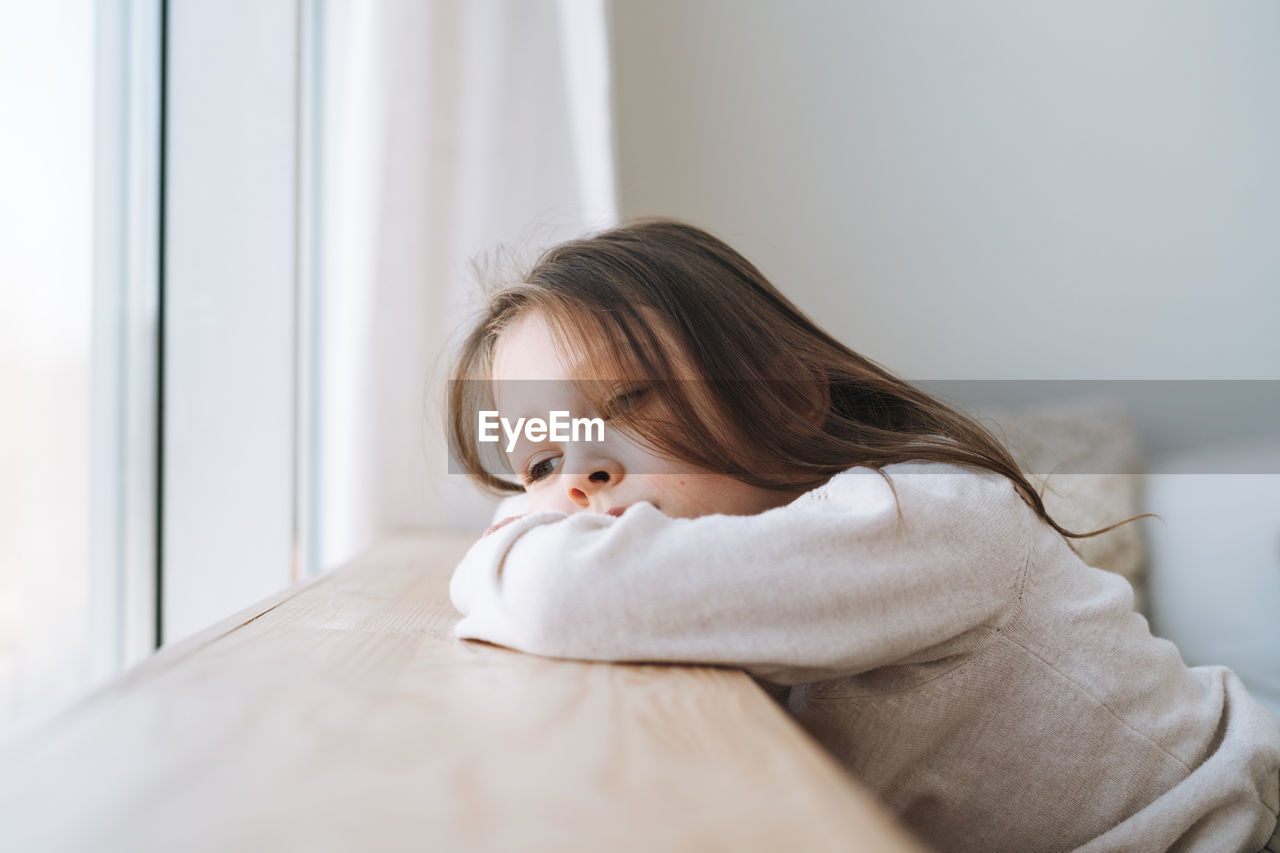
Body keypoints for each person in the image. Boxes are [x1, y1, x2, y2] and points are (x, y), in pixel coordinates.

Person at [445, 219, 1280, 852]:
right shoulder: (735, 572)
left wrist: (508, 543)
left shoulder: (925, 513)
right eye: (541, 459)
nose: (581, 476)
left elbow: (559, 590)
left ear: (782, 399)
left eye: (628, 402)